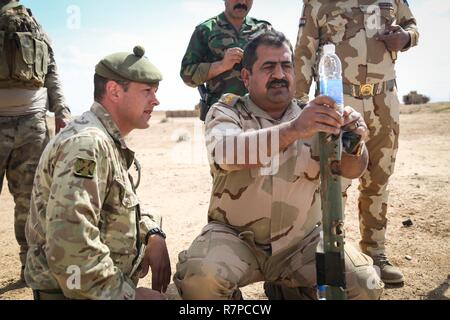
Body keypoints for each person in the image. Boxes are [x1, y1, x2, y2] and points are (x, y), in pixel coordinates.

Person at [173, 31, 384, 300]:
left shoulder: (315, 115)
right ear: (246, 77)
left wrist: (355, 143)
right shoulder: (227, 111)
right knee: (200, 280)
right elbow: (227, 153)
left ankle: (287, 290)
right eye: (268, 67)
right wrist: (295, 129)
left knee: (364, 284)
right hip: (236, 239)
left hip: (302, 243)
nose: (280, 75)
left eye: (286, 66)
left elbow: (351, 169)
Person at [24, 46, 171, 300]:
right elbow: (70, 248)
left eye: (155, 92)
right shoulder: (87, 145)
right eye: (147, 91)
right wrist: (129, 296)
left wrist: (151, 233)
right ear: (114, 91)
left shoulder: (103, 137)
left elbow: (114, 207)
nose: (156, 100)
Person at [292, 0, 419, 285]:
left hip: (384, 98)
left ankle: (376, 254)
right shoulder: (317, 3)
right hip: (339, 99)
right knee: (336, 180)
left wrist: (406, 38)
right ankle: (336, 255)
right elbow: (304, 51)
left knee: (379, 177)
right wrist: (297, 106)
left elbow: (412, 26)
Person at [0, 0, 71, 281]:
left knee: (31, 201)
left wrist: (62, 110)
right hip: (26, 126)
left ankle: (30, 269)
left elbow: (51, 70)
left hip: (33, 125)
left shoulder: (33, 23)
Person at [180, 0, 272, 120]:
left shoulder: (264, 29)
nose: (242, 2)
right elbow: (187, 74)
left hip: (260, 116)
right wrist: (221, 65)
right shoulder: (206, 30)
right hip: (221, 117)